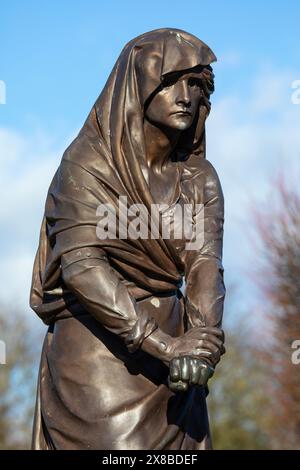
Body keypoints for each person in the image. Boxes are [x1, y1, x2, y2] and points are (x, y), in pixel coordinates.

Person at [30, 28, 225, 450]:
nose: (186, 95)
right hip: (100, 356)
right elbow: (82, 265)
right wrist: (162, 346)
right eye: (172, 80)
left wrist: (202, 346)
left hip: (178, 371)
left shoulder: (199, 179)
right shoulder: (85, 166)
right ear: (138, 83)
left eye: (196, 84)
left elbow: (205, 264)